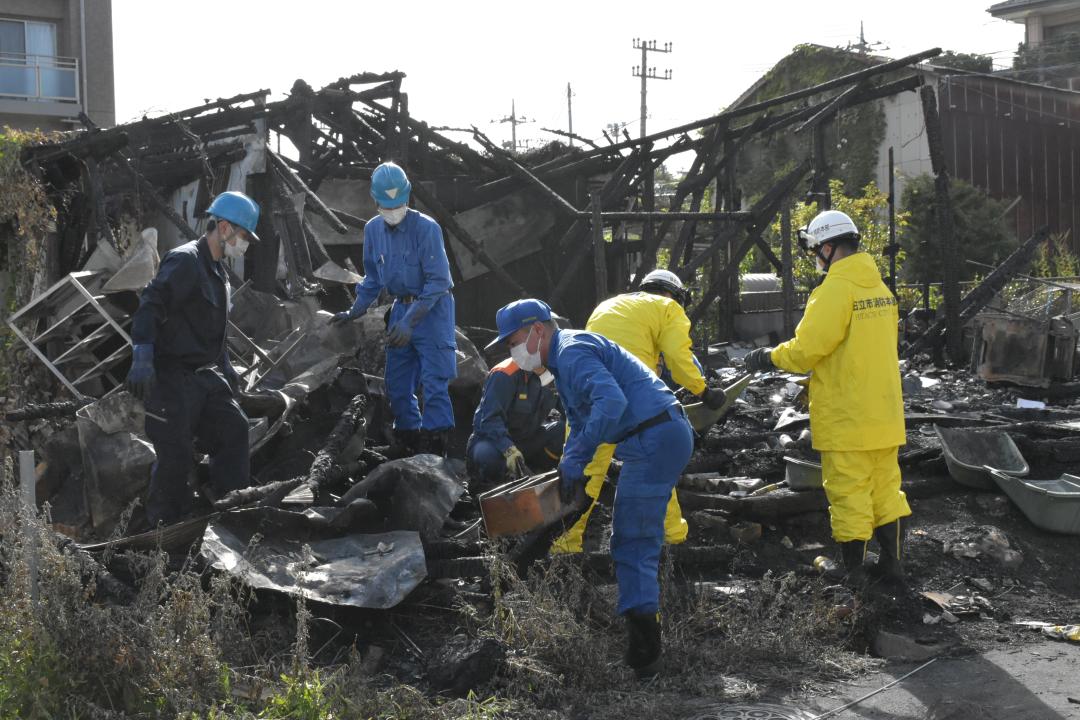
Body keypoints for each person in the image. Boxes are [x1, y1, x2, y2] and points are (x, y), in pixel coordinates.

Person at [488, 298, 694, 678]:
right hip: (652, 437)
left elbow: (611, 403)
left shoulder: (572, 351)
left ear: (537, 330)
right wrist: (573, 463)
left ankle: (647, 656)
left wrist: (576, 457)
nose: (512, 352)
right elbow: (584, 422)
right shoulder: (563, 361)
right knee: (629, 540)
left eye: (513, 341)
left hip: (656, 438)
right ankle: (644, 650)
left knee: (633, 541)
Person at [743, 210, 909, 589]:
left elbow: (806, 351)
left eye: (818, 250)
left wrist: (767, 357)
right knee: (886, 489)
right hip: (884, 412)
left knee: (848, 491)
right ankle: (892, 567)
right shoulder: (880, 290)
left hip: (848, 414)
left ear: (830, 247)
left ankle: (851, 574)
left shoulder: (835, 290)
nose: (817, 258)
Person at [551, 268, 725, 554]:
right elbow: (679, 358)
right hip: (635, 399)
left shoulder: (607, 306)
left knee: (586, 471)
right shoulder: (667, 308)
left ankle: (563, 544)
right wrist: (704, 391)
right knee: (656, 461)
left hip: (593, 396)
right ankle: (673, 535)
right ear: (674, 295)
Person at [125, 190, 260, 526]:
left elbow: (216, 332)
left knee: (234, 428)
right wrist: (142, 354)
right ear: (225, 228)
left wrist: (228, 372)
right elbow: (150, 305)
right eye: (243, 236)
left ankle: (232, 514)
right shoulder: (185, 260)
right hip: (171, 377)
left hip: (204, 376)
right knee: (176, 455)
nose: (244, 244)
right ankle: (160, 531)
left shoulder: (219, 274)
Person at [330, 162, 457, 455]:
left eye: (398, 204)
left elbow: (439, 281)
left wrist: (411, 322)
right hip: (400, 309)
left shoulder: (427, 229)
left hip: (433, 310)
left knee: (434, 382)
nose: (392, 211)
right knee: (397, 385)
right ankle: (409, 442)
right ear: (375, 201)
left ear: (408, 197)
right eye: (386, 205)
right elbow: (372, 279)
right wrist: (354, 312)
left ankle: (437, 451)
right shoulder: (373, 230)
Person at [465, 357, 564, 487]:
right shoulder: (505, 374)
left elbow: (571, 413)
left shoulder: (554, 376)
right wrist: (508, 449)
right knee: (486, 454)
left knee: (563, 431)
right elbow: (488, 421)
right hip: (496, 442)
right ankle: (494, 485)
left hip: (526, 440)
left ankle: (538, 474)